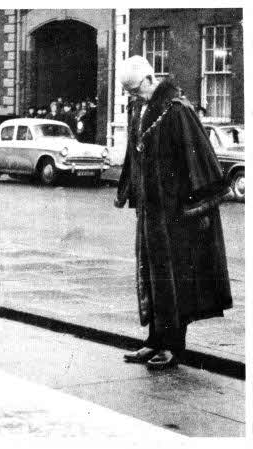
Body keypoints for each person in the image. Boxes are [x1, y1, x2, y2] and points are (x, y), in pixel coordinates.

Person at [115, 55, 232, 370]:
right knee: (153, 277)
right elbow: (135, 157)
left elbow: (199, 159)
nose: (133, 96)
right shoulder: (140, 110)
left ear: (151, 80)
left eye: (135, 89)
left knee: (174, 278)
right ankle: (154, 340)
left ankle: (172, 346)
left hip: (176, 215)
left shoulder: (178, 111)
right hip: (150, 213)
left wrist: (199, 207)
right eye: (127, 92)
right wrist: (131, 190)